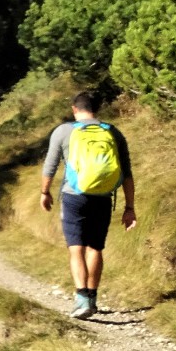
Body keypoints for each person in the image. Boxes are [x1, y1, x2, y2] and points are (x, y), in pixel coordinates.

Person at [40, 91, 137, 319]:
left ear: (75, 109)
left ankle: (82, 299)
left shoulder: (64, 131)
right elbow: (127, 174)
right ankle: (92, 298)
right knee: (96, 247)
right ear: (96, 109)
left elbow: (50, 166)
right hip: (103, 196)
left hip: (74, 196)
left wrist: (44, 192)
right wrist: (129, 208)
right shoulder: (112, 132)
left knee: (77, 249)